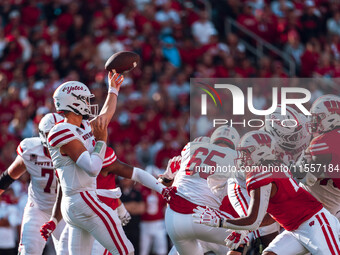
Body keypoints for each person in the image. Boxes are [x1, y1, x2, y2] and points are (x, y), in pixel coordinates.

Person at [42, 72, 165, 255]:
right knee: (126, 250)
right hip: (84, 199)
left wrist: (113, 90)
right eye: (85, 99)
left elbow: (105, 116)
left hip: (73, 205)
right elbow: (92, 168)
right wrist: (101, 141)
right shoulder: (61, 130)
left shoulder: (80, 127)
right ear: (74, 102)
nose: (89, 103)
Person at [194, 130, 340, 255]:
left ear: (260, 152)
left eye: (246, 152)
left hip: (314, 223)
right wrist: (243, 230)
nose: (241, 158)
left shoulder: (260, 174)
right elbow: (274, 214)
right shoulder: (274, 167)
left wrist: (219, 222)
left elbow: (253, 220)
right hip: (295, 228)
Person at [162, 125, 249, 255]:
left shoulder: (191, 153)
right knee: (242, 239)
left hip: (183, 221)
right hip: (214, 223)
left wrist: (167, 179)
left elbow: (170, 198)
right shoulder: (237, 160)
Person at [0, 112, 66, 254]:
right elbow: (8, 177)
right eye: (52, 135)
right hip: (39, 208)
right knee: (28, 251)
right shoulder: (31, 149)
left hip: (65, 211)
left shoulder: (75, 150)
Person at [298, 94, 340, 220]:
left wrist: (301, 164)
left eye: (318, 118)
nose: (314, 121)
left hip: (323, 208)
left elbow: (308, 179)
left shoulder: (322, 142)